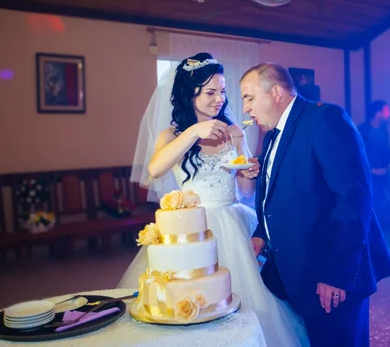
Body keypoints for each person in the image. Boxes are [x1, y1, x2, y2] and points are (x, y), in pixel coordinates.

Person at [119, 53, 309, 346]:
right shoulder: (173, 134)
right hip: (193, 229)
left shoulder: (234, 130)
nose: (219, 99)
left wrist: (250, 171)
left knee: (246, 305)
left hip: (235, 223)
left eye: (222, 91)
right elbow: (155, 169)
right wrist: (195, 131)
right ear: (189, 93)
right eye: (210, 92)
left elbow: (245, 190)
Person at [240, 63, 390, 347]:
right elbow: (282, 192)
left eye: (249, 97)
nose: (246, 108)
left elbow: (353, 198)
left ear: (275, 92)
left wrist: (336, 273)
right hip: (299, 271)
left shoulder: (325, 118)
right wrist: (262, 231)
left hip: (333, 274)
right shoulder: (274, 132)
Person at [357, 100, 390, 221]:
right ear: (378, 113)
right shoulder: (363, 130)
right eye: (386, 111)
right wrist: (371, 169)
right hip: (367, 172)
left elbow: (386, 150)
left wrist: (389, 163)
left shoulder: (384, 131)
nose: (389, 114)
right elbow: (360, 152)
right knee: (369, 198)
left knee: (382, 198)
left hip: (383, 171)